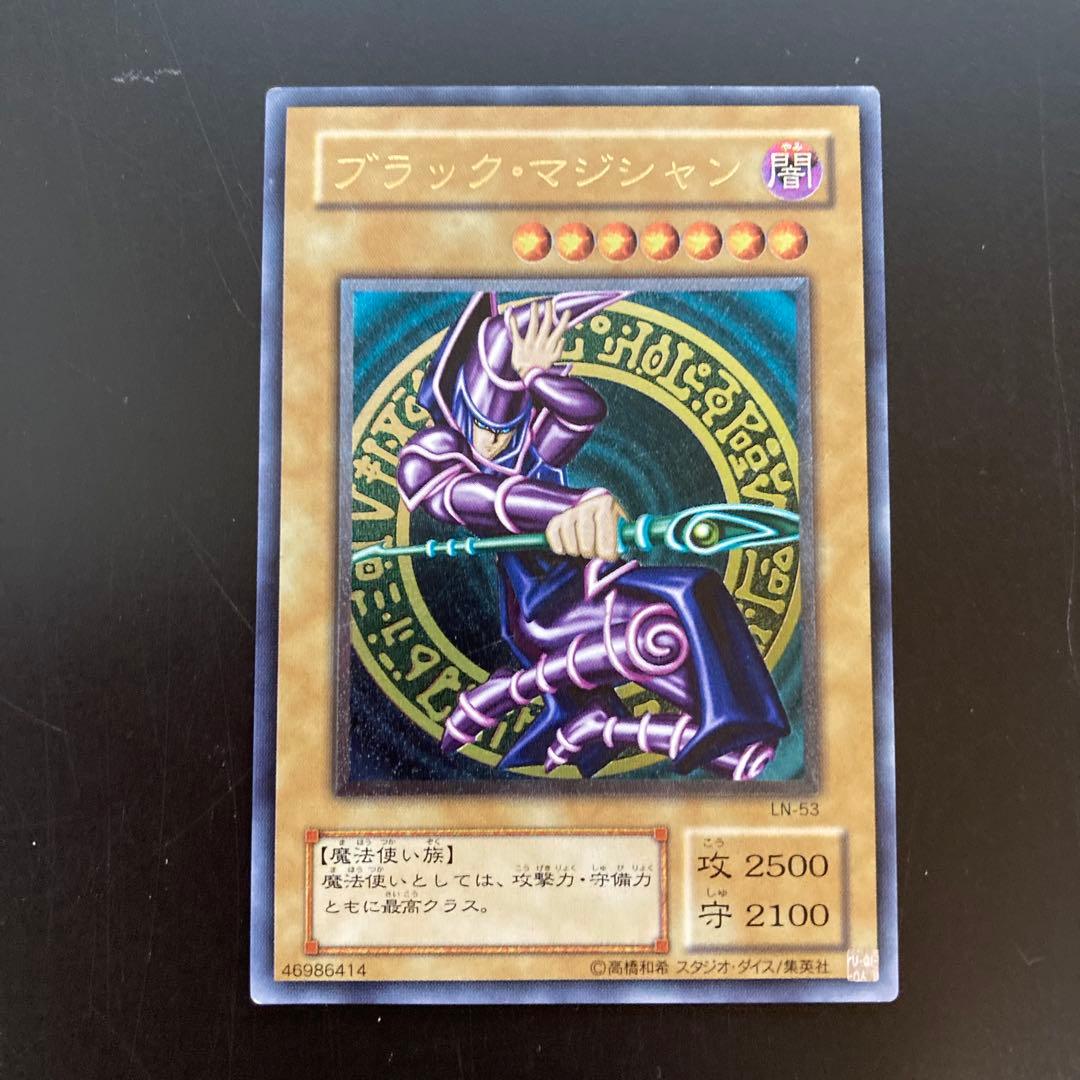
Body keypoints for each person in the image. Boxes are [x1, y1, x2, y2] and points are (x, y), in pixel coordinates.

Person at [397, 291, 788, 779]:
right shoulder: (434, 455)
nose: (496, 443)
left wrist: (536, 377)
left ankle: (615, 727)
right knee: (662, 630)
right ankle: (551, 704)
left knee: (695, 596)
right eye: (483, 428)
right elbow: (472, 497)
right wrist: (567, 507)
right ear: (459, 410)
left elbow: (583, 413)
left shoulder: (528, 449)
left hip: (592, 583)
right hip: (545, 609)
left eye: (509, 430)